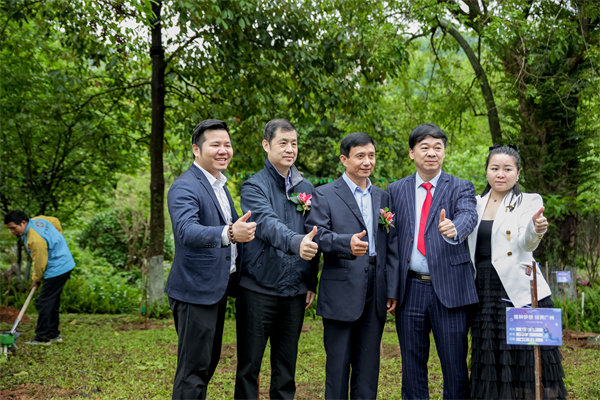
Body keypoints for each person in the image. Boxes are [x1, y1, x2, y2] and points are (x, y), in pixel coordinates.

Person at [165, 119, 257, 400]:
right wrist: (229, 232)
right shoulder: (185, 186)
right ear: (196, 149)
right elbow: (186, 231)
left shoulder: (219, 185)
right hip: (194, 291)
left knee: (206, 365)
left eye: (227, 144)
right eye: (215, 144)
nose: (223, 150)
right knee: (192, 371)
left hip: (215, 289)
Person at [387, 123, 478, 399]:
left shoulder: (460, 187)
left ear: (444, 152)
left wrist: (455, 228)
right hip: (410, 289)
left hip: (450, 289)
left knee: (455, 365)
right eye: (424, 147)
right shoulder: (395, 190)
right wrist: (391, 289)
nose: (431, 153)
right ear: (411, 153)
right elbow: (391, 241)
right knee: (412, 366)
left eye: (438, 147)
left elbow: (469, 215)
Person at [467, 145, 566, 399]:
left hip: (519, 289)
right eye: (495, 168)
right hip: (483, 290)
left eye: (507, 169)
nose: (500, 174)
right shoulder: (474, 203)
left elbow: (527, 243)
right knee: (490, 356)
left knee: (526, 358)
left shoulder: (529, 201)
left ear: (518, 173)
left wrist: (536, 228)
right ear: (487, 171)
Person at [305, 132, 399, 399]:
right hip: (341, 289)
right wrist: (345, 243)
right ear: (344, 159)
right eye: (360, 156)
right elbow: (316, 235)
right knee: (337, 367)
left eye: (371, 156)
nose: (367, 162)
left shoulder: (383, 197)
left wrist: (391, 288)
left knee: (368, 368)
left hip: (376, 288)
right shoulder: (324, 194)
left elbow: (391, 245)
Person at [235, 118, 320, 399]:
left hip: (294, 292)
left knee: (286, 370)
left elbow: (314, 232)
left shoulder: (306, 187)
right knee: (249, 368)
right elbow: (267, 224)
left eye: (294, 143)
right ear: (266, 145)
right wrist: (296, 243)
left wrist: (310, 281)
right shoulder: (253, 187)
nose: (289, 149)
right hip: (258, 289)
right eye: (283, 143)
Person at [4, 210, 75, 345]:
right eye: (10, 229)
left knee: (44, 302)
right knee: (52, 301)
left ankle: (42, 337)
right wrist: (57, 238)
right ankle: (53, 334)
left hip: (57, 268)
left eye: (13, 228)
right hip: (65, 263)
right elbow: (55, 221)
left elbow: (40, 263)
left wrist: (36, 279)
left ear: (23, 223)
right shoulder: (39, 220)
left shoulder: (35, 239)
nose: (12, 231)